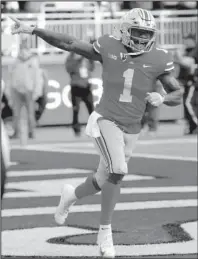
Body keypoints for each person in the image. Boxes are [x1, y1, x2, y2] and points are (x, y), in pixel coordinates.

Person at [10, 9, 182, 258]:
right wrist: (35, 30)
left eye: (147, 34)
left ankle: (71, 196)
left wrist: (163, 97)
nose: (143, 38)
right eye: (138, 32)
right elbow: (69, 43)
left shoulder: (158, 58)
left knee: (102, 180)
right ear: (124, 30)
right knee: (119, 170)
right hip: (105, 119)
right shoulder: (109, 46)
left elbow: (177, 93)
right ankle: (105, 233)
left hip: (132, 127)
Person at [9, 36, 39, 139]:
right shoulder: (16, 61)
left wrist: (36, 90)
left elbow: (36, 77)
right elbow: (12, 76)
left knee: (30, 113)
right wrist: (12, 89)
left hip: (28, 89)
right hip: (17, 90)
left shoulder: (32, 61)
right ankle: (16, 132)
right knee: (16, 113)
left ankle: (32, 132)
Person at [65, 52, 95, 135]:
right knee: (76, 110)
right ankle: (76, 128)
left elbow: (91, 68)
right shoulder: (70, 58)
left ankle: (92, 129)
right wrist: (80, 59)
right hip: (76, 86)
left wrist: (91, 57)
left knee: (91, 109)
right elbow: (69, 69)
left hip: (86, 86)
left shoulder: (86, 59)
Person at [175, 34, 197, 134]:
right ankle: (192, 127)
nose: (185, 43)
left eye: (187, 40)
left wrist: (178, 55)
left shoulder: (195, 50)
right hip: (188, 81)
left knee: (189, 103)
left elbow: (187, 62)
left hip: (194, 82)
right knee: (187, 104)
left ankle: (195, 125)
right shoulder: (188, 50)